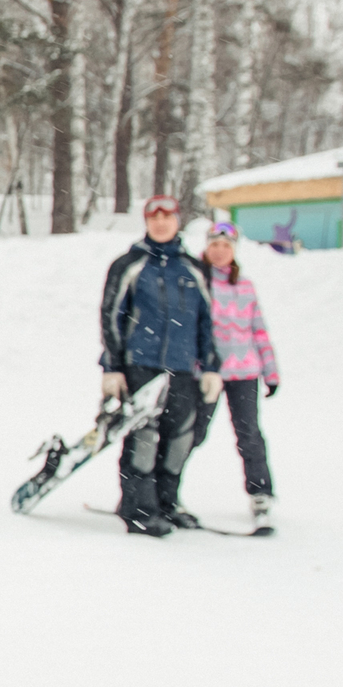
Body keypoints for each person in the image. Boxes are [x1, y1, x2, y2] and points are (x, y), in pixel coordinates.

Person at [99, 195, 222, 536]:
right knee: (144, 438)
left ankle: (167, 503)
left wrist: (211, 366)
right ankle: (138, 508)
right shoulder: (129, 265)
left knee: (179, 440)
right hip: (142, 365)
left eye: (167, 216)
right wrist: (112, 367)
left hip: (183, 368)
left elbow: (207, 321)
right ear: (147, 221)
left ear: (177, 220)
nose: (161, 222)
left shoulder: (192, 268)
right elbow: (111, 317)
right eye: (155, 217)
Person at [191, 222, 279, 529]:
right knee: (193, 431)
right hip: (208, 372)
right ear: (206, 248)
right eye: (214, 245)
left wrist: (271, 371)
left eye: (226, 246)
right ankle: (163, 488)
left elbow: (259, 329)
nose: (219, 251)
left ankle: (261, 494)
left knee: (249, 434)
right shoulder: (198, 282)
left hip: (245, 372)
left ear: (233, 250)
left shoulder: (245, 286)